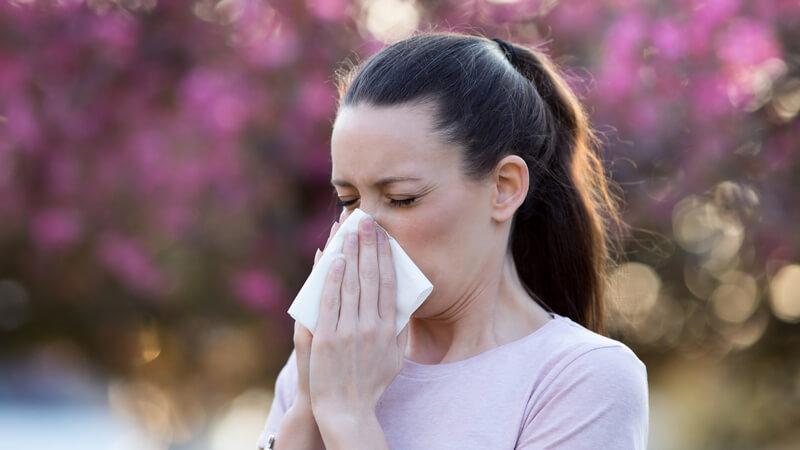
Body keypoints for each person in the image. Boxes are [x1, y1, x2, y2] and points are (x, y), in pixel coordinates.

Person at [257, 32, 649, 449]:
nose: (362, 230)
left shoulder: (581, 378)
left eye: (401, 199)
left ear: (503, 187)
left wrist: (349, 418)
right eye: (348, 200)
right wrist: (308, 404)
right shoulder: (333, 359)